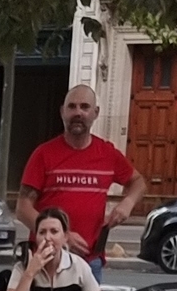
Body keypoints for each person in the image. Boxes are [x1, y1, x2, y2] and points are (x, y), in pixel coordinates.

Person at [14, 82, 135, 258]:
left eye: (85, 107)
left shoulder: (108, 153)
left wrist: (128, 202)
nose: (78, 112)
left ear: (96, 113)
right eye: (72, 107)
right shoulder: (43, 154)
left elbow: (138, 183)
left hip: (91, 261)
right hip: (47, 259)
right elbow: (23, 209)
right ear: (63, 111)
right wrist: (62, 237)